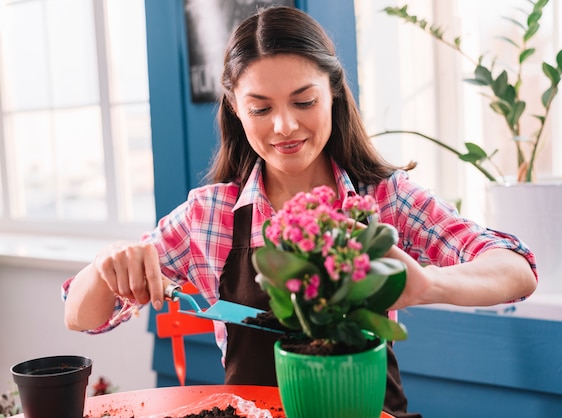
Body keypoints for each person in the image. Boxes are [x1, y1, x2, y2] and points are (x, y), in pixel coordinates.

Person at [63, 6, 537, 417]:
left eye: (304, 101)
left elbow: (515, 268)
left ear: (333, 90)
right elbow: (81, 316)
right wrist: (109, 265)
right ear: (234, 107)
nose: (285, 126)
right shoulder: (210, 216)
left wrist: (428, 285)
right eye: (261, 108)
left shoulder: (384, 199)